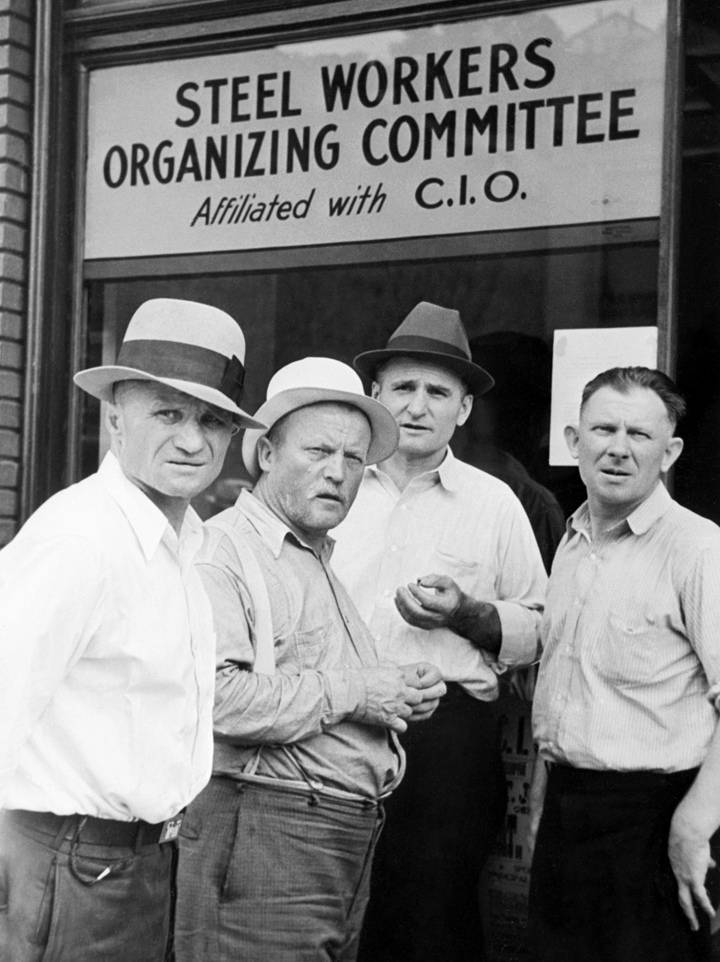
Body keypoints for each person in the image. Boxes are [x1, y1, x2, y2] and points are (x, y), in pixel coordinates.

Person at [0, 297, 263, 962]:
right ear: (116, 420)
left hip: (141, 865)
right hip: (71, 866)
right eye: (167, 413)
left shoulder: (180, 543)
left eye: (213, 420)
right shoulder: (82, 541)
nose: (193, 440)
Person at [174, 357, 446, 962]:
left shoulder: (314, 556)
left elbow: (320, 680)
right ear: (266, 453)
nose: (338, 474)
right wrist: (359, 692)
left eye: (353, 460)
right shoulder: (224, 551)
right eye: (318, 451)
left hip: (330, 839)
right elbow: (216, 698)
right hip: (266, 834)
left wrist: (395, 689)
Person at [331, 302, 547, 962]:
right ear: (374, 397)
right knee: (329, 910)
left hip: (446, 745)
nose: (418, 405)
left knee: (433, 922)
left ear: (464, 410)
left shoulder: (495, 503)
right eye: (403, 387)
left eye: (438, 391)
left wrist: (465, 614)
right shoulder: (331, 488)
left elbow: (540, 629)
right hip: (332, 725)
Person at [528, 366, 720, 962]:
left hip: (656, 819)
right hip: (567, 814)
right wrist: (540, 809)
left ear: (671, 452)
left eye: (639, 434)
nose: (618, 447)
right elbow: (563, 683)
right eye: (603, 428)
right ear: (572, 441)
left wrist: (695, 823)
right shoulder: (572, 542)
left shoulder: (699, 549)